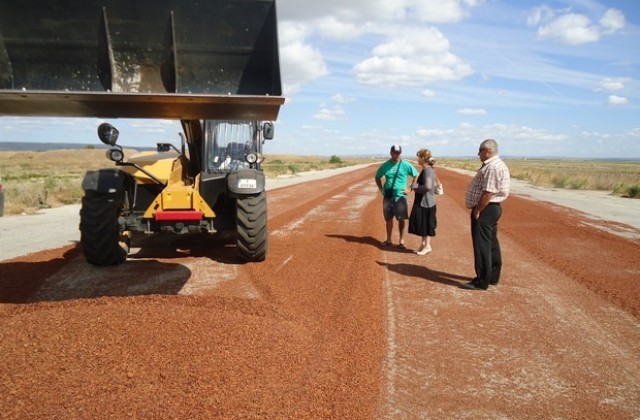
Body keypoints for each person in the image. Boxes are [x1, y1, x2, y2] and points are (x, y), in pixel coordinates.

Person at [461, 139, 510, 290]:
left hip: (486, 209)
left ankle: (481, 280)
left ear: (487, 150)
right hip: (491, 208)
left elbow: (488, 192)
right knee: (491, 244)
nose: (478, 154)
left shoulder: (492, 167)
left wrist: (477, 210)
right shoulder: (495, 165)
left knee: (481, 245)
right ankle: (492, 276)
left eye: (480, 151)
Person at [375, 144, 419, 248]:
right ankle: (389, 239)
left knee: (401, 219)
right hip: (388, 196)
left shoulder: (405, 165)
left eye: (398, 153)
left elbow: (416, 175)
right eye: (395, 153)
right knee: (388, 219)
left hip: (400, 196)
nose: (397, 155)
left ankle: (401, 240)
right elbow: (377, 177)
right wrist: (381, 189)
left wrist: (411, 189)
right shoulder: (385, 165)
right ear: (391, 153)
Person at [408, 149, 437, 255]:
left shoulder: (428, 170)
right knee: (423, 224)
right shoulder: (427, 169)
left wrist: (414, 187)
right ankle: (423, 245)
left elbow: (427, 186)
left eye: (419, 157)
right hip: (424, 202)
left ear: (423, 158)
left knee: (426, 225)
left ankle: (427, 246)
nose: (417, 159)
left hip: (426, 203)